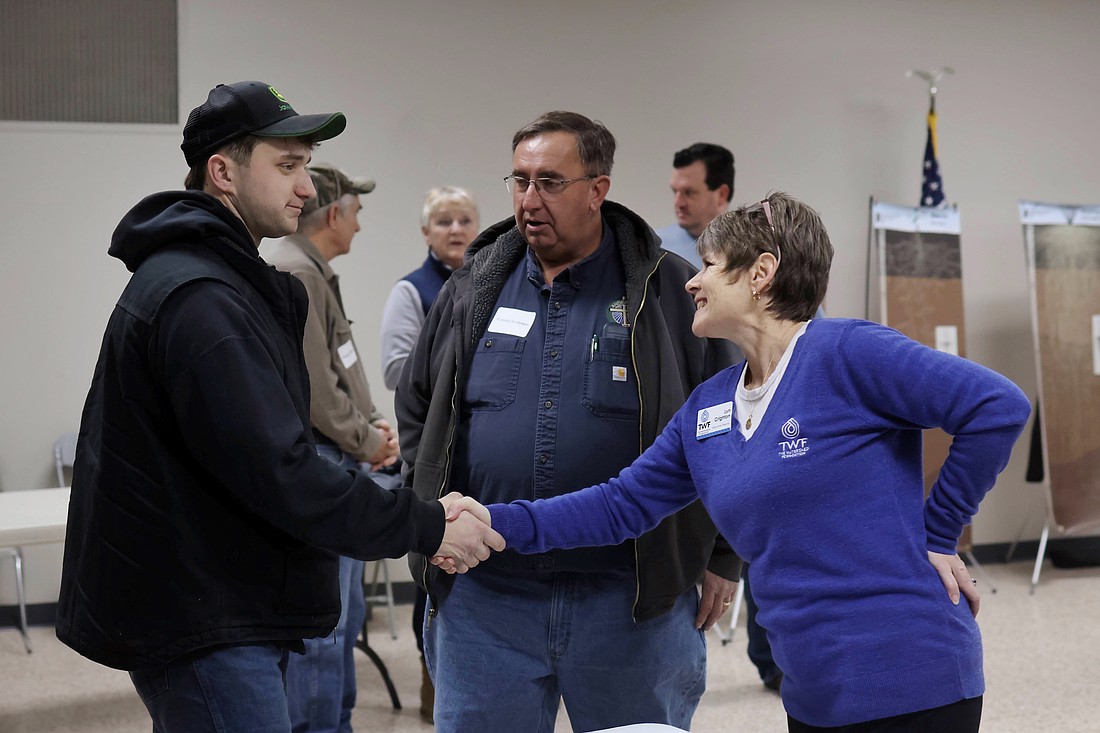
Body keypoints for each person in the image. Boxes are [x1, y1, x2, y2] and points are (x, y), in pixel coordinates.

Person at [460, 191, 1031, 732]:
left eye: (708, 264)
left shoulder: (847, 352)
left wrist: (938, 533)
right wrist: (491, 523)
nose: (693, 281)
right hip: (812, 688)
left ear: (760, 273)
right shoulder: (710, 405)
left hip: (910, 674)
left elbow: (996, 406)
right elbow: (620, 506)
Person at [54, 80, 504, 733]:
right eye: (288, 166)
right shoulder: (202, 298)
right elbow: (282, 467)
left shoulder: (217, 279)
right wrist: (427, 524)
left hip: (212, 597)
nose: (306, 189)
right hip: (202, 616)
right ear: (223, 172)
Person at [394, 111, 741, 733]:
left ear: (597, 189)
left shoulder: (669, 290)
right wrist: (432, 510)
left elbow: (729, 418)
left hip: (630, 602)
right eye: (520, 180)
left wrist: (722, 553)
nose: (530, 199)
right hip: (485, 599)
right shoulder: (474, 287)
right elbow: (420, 405)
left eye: (550, 181)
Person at [263, 163, 395, 733]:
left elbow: (340, 367)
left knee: (346, 613)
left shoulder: (312, 270)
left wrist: (369, 430)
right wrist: (368, 439)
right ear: (335, 213)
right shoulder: (300, 273)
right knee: (326, 624)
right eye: (357, 214)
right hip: (325, 459)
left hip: (342, 455)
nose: (360, 227)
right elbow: (317, 390)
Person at [378, 185, 479, 722]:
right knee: (435, 575)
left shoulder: (494, 283)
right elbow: (398, 372)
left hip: (484, 461)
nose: (456, 230)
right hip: (436, 454)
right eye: (444, 222)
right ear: (425, 233)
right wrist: (455, 367)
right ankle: (432, 688)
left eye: (465, 219)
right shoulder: (411, 291)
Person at [655, 143, 734, 269]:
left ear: (721, 195)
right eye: (675, 191)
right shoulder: (656, 249)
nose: (679, 203)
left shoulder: (753, 251)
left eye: (689, 192)